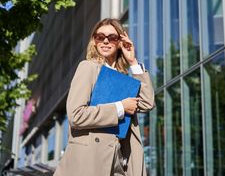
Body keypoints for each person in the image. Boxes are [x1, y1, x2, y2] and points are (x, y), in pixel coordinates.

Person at [54, 18, 155, 176]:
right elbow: (76, 115)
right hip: (89, 161)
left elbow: (147, 103)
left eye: (112, 37)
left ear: (120, 42)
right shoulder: (88, 68)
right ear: (94, 41)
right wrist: (120, 107)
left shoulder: (123, 78)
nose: (106, 41)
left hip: (118, 161)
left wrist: (133, 61)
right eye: (100, 37)